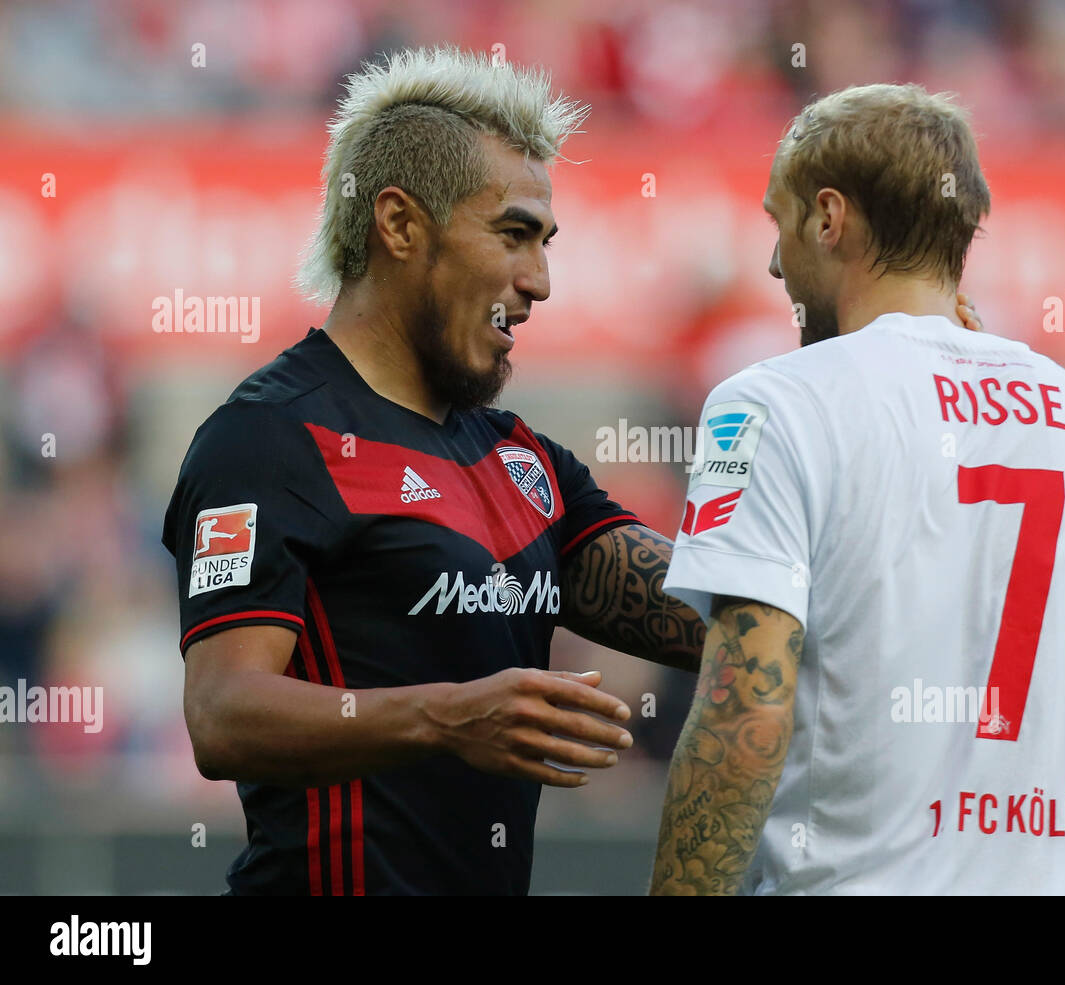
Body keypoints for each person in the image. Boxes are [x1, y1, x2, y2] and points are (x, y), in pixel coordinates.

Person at [650, 83, 1065, 895]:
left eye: (777, 221)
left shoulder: (770, 403)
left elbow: (742, 722)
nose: (775, 261)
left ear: (829, 217)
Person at [162, 46, 709, 896]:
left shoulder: (522, 461)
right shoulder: (267, 438)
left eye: (546, 241)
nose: (541, 281)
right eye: (513, 234)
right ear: (400, 224)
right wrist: (446, 715)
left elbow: (709, 613)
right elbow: (222, 714)